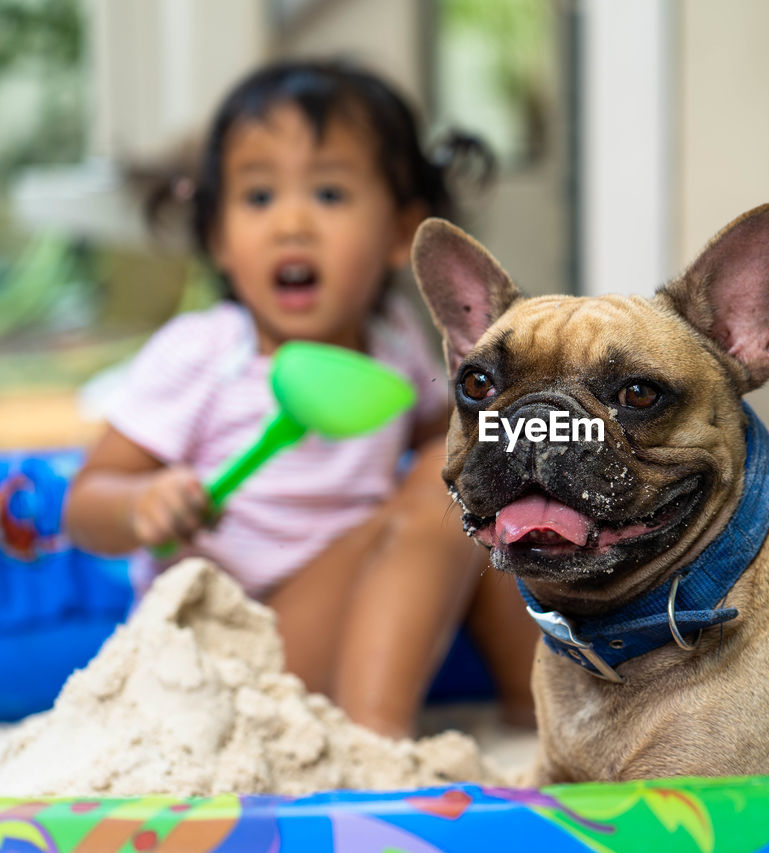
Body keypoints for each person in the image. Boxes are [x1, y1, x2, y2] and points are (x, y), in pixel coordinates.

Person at [64, 59, 537, 739]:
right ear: (219, 237)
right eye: (258, 199)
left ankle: (543, 717)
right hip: (231, 655)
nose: (292, 224)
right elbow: (83, 506)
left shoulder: (395, 343)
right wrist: (140, 503)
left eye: (329, 195)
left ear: (400, 230)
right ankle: (376, 742)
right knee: (447, 499)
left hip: (350, 624)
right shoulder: (206, 353)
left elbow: (447, 434)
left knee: (485, 494)